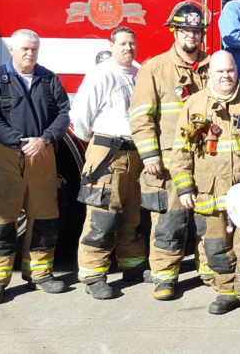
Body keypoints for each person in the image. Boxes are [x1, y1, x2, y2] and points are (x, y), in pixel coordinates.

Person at [170, 51, 240, 319]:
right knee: (216, 247)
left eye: (230, 71)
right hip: (209, 193)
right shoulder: (194, 105)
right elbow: (180, 151)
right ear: (210, 74)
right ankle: (226, 292)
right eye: (220, 72)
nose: (226, 76)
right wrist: (185, 187)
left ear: (237, 71)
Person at [0, 29, 71, 305]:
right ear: (12, 51)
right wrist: (18, 142)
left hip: (42, 155)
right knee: (0, 222)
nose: (30, 53)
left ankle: (40, 275)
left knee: (44, 218)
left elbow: (64, 113)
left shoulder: (48, 78)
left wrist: (45, 139)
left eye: (34, 49)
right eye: (24, 49)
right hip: (3, 157)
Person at [129, 0, 211, 300]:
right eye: (185, 30)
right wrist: (150, 154)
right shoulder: (155, 68)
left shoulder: (212, 66)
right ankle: (164, 277)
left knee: (207, 220)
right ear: (174, 32)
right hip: (169, 161)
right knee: (169, 221)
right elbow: (140, 116)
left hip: (207, 159)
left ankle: (209, 271)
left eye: (196, 31)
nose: (192, 35)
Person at [71, 26, 146, 300]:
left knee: (132, 214)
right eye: (123, 43)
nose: (128, 48)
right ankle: (93, 274)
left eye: (132, 44)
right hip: (107, 152)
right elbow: (80, 118)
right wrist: (99, 142)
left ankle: (133, 266)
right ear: (112, 46)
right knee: (102, 215)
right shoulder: (101, 74)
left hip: (134, 153)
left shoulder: (138, 73)